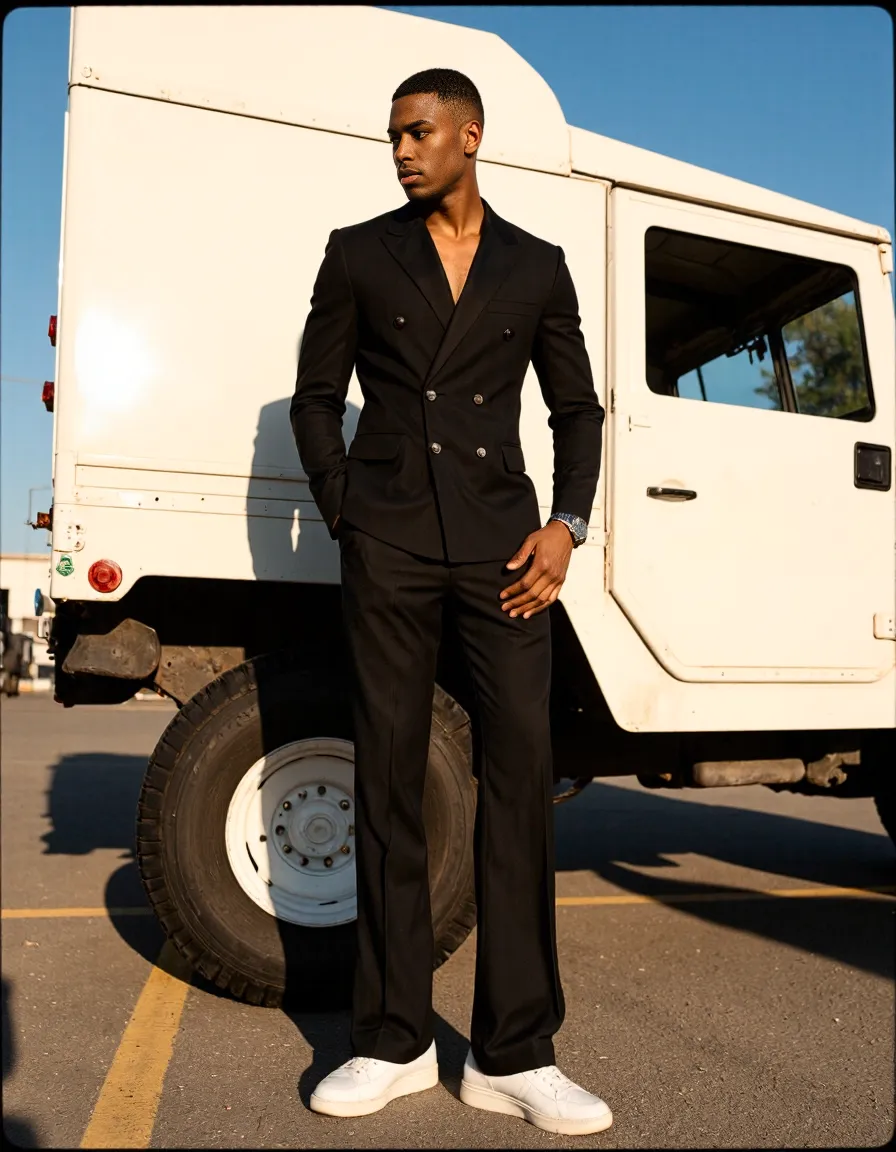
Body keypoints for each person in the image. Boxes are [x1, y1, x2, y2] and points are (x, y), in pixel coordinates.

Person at [290, 68, 610, 1136]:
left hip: (503, 553)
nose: (400, 151)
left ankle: (513, 1053)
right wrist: (349, 512)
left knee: (517, 779)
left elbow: (575, 408)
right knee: (386, 777)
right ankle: (391, 1041)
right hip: (388, 544)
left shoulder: (534, 266)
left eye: (417, 132)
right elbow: (313, 395)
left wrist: (565, 526)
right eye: (392, 137)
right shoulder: (356, 251)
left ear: (470, 135)